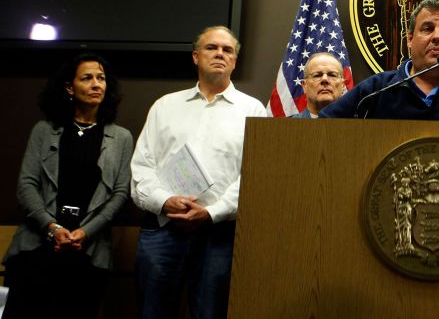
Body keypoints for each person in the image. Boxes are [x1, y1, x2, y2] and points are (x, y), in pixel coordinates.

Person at [130, 26, 268, 319]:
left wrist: (211, 212)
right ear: (195, 56)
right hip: (163, 229)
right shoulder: (164, 106)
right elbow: (142, 168)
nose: (220, 53)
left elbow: (254, 177)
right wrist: (165, 201)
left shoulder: (253, 110)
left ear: (234, 61)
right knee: (152, 312)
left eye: (227, 50)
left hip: (220, 234)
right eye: (211, 48)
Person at [2, 52, 133, 319]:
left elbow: (120, 193)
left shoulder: (121, 137)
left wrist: (85, 232)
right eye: (87, 78)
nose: (97, 84)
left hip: (89, 251)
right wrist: (52, 227)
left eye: (101, 78)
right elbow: (26, 184)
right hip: (37, 246)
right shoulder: (44, 130)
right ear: (70, 87)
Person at [294, 52, 346, 118]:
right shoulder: (286, 126)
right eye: (317, 75)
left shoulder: (358, 126)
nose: (324, 79)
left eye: (332, 75)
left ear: (343, 85)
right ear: (304, 86)